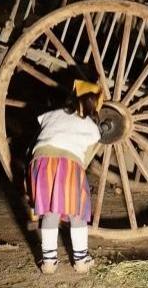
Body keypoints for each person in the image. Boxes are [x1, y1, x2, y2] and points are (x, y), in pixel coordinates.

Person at [30, 79, 104, 274]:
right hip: (68, 164)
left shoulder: (52, 114)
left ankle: (48, 262)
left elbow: (41, 127)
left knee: (50, 211)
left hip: (41, 162)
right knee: (77, 211)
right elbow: (89, 152)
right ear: (92, 104)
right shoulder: (90, 126)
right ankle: (80, 260)